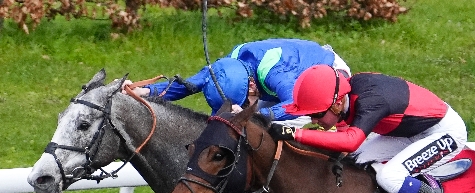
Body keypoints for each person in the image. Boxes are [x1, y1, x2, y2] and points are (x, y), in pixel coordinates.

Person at [269, 65, 475, 193]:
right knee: (354, 161)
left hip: (443, 132)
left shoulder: (371, 101)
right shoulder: (346, 96)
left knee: (390, 177)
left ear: (337, 104)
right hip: (408, 131)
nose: (313, 120)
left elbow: (350, 141)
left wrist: (295, 133)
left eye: (316, 114)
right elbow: (345, 143)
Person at [125, 39, 350, 126]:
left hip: (327, 77)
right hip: (280, 85)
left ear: (251, 85)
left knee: (267, 124)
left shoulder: (276, 74)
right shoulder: (223, 69)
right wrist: (144, 91)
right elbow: (184, 87)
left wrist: (253, 113)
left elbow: (293, 105)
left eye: (241, 103)